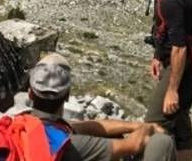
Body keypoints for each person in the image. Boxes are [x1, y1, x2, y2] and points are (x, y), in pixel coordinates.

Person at [125, 0, 192, 161]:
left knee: (154, 123)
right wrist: (158, 55)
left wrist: (172, 89)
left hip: (182, 65)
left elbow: (179, 47)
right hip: (181, 64)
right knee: (179, 118)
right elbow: (163, 30)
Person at [24, 53, 174, 161]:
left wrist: (134, 126)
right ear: (67, 95)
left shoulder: (21, 126)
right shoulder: (68, 144)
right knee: (161, 142)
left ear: (30, 94)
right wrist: (148, 128)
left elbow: (87, 127)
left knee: (112, 134)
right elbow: (133, 144)